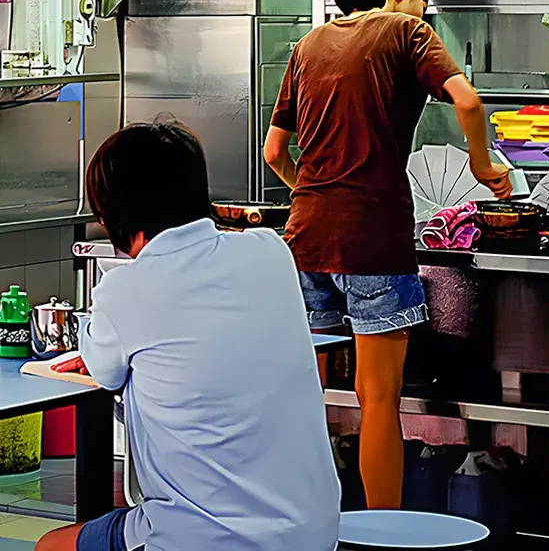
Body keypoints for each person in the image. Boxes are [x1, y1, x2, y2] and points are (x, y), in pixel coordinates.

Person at [262, 0, 511, 511]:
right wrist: (482, 165)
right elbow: (468, 102)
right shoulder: (405, 30)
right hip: (373, 235)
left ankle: (299, 517)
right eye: (423, 2)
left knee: (304, 394)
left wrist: (316, 189)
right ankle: (384, 532)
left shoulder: (308, 46)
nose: (425, 14)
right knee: (377, 400)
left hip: (306, 238)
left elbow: (274, 150)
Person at [36, 122, 339, 551]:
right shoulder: (270, 251)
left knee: (50, 545)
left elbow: (104, 371)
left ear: (116, 218)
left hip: (198, 536)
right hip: (311, 532)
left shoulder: (125, 291)